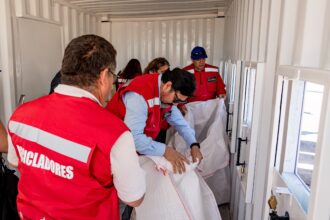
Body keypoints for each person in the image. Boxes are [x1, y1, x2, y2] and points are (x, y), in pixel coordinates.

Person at [6, 34, 145, 220]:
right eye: (113, 76)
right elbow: (134, 198)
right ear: (104, 76)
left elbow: (16, 162)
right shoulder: (115, 133)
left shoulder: (20, 115)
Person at [107, 68, 203, 172]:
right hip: (113, 148)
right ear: (167, 86)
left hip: (133, 149)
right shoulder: (139, 95)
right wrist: (166, 151)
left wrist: (194, 144)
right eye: (177, 99)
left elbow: (181, 124)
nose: (176, 104)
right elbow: (134, 138)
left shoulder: (166, 96)